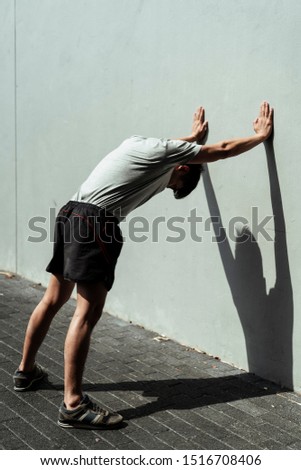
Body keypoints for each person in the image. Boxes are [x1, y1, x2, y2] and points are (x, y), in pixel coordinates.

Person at [13, 102, 273, 429]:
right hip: (95, 223)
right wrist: (260, 137)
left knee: (53, 299)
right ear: (183, 167)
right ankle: (73, 404)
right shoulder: (172, 157)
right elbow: (220, 150)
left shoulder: (139, 145)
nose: (167, 187)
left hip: (70, 212)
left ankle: (26, 372)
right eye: (174, 186)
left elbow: (176, 148)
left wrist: (192, 136)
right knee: (86, 311)